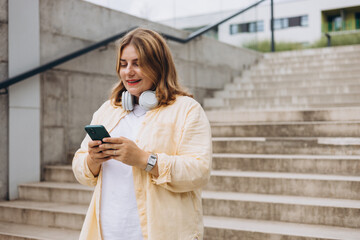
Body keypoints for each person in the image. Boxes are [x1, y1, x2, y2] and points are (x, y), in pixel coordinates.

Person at [72, 27, 212, 240]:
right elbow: (79, 166)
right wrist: (93, 161)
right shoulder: (107, 110)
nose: (128, 71)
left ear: (158, 65)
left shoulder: (187, 109)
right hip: (108, 231)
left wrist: (144, 160)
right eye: (123, 64)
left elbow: (199, 171)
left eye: (137, 63)